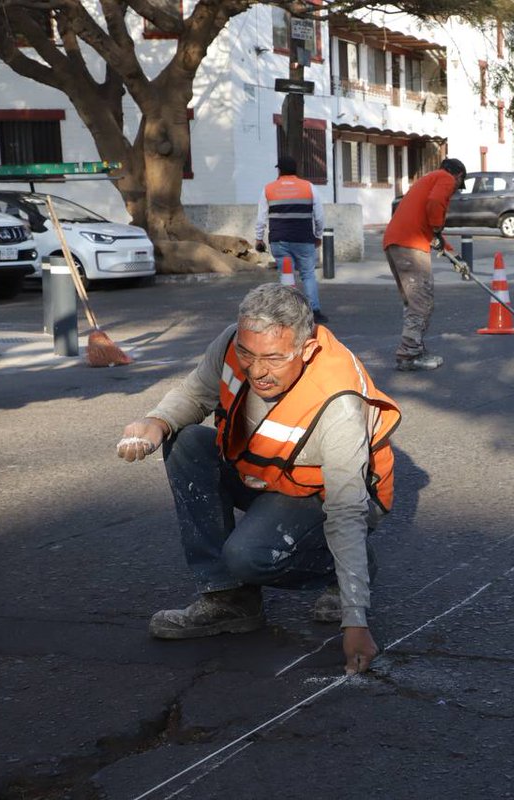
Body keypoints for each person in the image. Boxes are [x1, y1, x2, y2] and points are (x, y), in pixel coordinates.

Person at [115, 283, 401, 675]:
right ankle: (229, 600)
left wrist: (355, 621)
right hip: (267, 474)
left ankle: (342, 568)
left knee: (248, 557)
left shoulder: (338, 403)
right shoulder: (233, 343)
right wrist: (156, 421)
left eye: (273, 358)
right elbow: (197, 393)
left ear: (307, 350)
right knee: (186, 441)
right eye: (248, 354)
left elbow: (347, 511)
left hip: (323, 495)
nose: (257, 370)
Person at [382, 157, 466, 371]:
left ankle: (414, 348)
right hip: (410, 245)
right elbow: (435, 204)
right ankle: (408, 355)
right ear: (458, 176)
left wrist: (451, 253)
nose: (455, 190)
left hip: (395, 242)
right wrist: (437, 228)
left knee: (413, 302)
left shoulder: (426, 180)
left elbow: (429, 228)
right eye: (459, 184)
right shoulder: (445, 178)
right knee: (421, 301)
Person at [255, 156, 327, 323]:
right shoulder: (308, 187)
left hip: (279, 240)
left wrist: (259, 238)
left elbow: (261, 217)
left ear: (279, 170)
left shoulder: (268, 189)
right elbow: (319, 215)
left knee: (286, 274)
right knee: (308, 274)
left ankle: (289, 314)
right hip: (303, 238)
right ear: (296, 170)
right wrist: (318, 235)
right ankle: (314, 311)